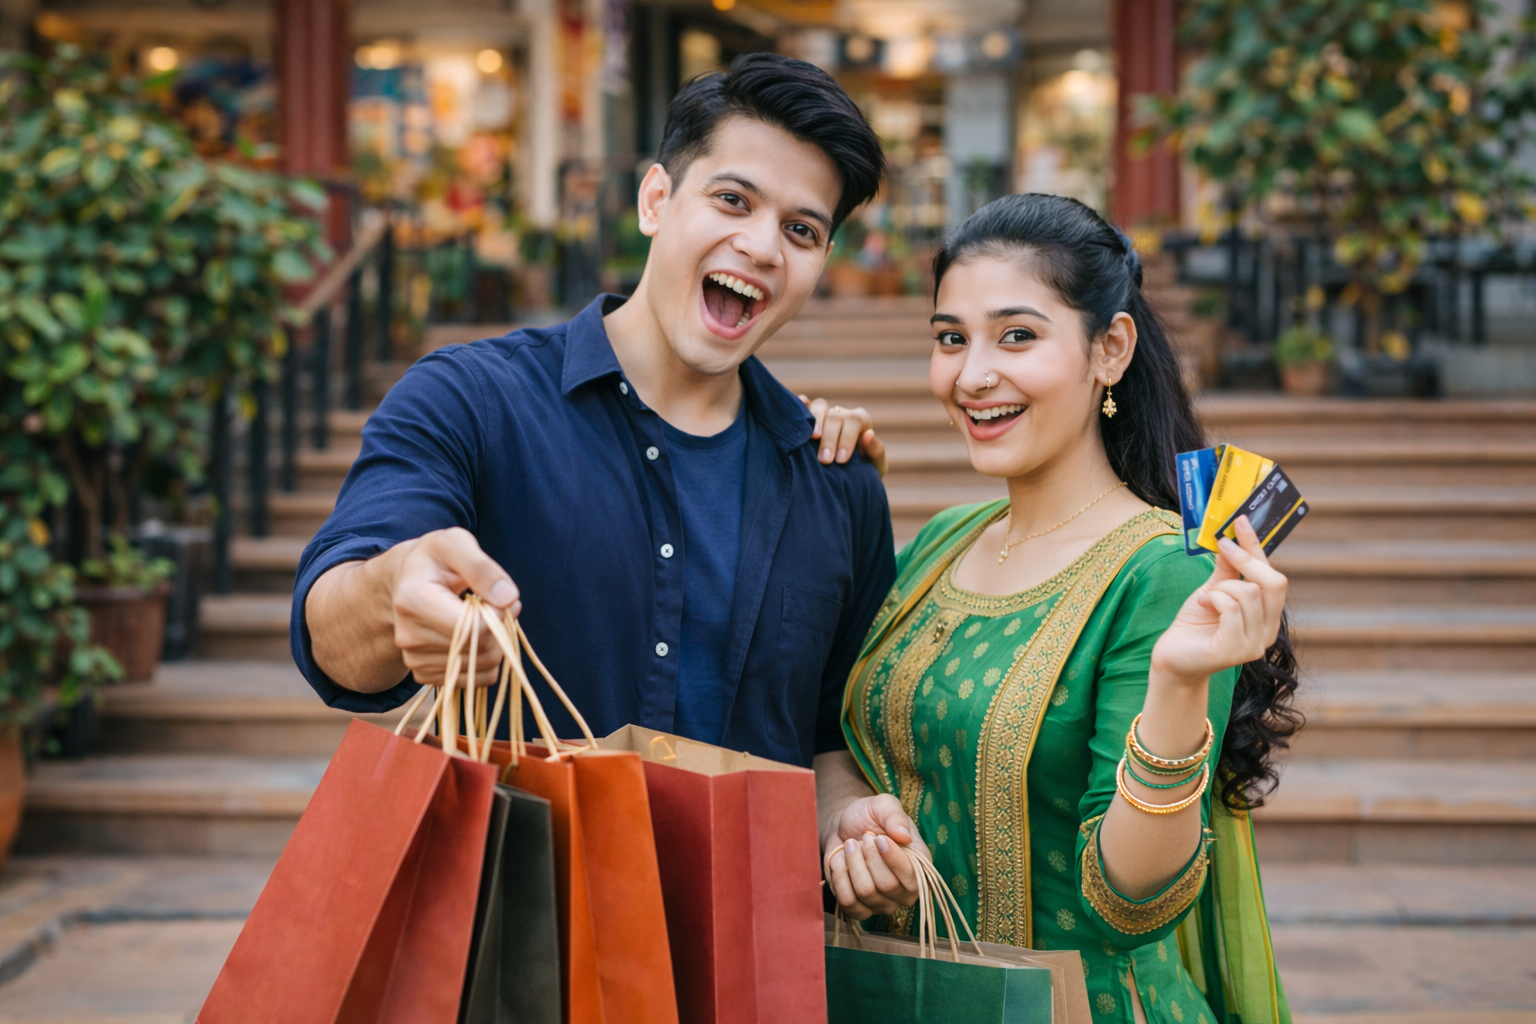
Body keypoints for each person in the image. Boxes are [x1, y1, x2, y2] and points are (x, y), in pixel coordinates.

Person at [292, 53, 898, 771]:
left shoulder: (838, 479)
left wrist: (855, 823)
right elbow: (332, 633)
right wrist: (394, 588)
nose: (762, 247)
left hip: (755, 887)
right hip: (529, 882)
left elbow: (834, 738)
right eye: (733, 200)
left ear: (823, 258)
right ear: (655, 201)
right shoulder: (472, 400)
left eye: (801, 231)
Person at [817, 194, 1302, 1024]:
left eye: (1017, 336)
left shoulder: (1165, 573)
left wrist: (1180, 684)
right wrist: (852, 829)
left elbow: (1128, 899)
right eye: (949, 339)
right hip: (900, 995)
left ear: (1109, 349)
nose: (972, 376)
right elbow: (849, 734)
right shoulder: (943, 540)